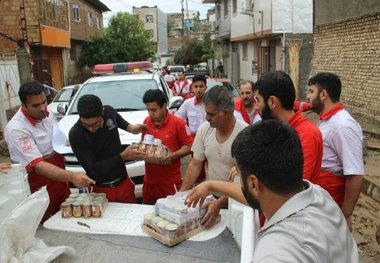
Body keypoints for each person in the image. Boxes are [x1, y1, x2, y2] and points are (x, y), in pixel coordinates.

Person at [185, 120, 359, 263]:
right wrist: (210, 186)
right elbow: (255, 195)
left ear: (253, 183)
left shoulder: (276, 251)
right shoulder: (319, 195)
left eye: (240, 175)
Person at [4, 80, 94, 223]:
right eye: (36, 105)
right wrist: (72, 176)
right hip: (39, 186)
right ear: (23, 105)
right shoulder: (16, 129)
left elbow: (57, 138)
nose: (42, 108)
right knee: (44, 224)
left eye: (44, 102)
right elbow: (37, 166)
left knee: (66, 218)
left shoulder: (47, 113)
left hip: (59, 177)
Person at [180, 85, 247, 228]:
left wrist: (220, 203)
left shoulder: (245, 135)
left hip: (238, 202)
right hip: (211, 198)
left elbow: (246, 182)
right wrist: (181, 195)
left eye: (211, 114)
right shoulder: (204, 129)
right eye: (206, 113)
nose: (207, 118)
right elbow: (195, 164)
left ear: (226, 112)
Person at [307, 72, 364, 230]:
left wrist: (345, 215)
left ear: (323, 94)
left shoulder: (343, 125)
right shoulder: (327, 120)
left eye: (312, 92)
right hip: (321, 202)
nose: (308, 96)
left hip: (332, 206)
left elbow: (355, 173)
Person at [69, 95, 146, 203]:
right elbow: (93, 168)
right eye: (86, 125)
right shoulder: (76, 134)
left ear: (102, 112)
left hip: (124, 183)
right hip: (100, 191)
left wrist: (132, 128)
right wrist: (123, 156)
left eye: (95, 124)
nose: (91, 129)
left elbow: (121, 122)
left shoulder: (109, 112)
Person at [254, 71, 323, 183]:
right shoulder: (274, 128)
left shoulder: (306, 133)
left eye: (258, 100)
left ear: (272, 102)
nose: (256, 106)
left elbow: (294, 185)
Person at [142, 89, 193, 204]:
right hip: (149, 182)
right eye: (148, 110)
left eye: (154, 110)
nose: (150, 114)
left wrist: (173, 155)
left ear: (164, 106)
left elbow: (189, 146)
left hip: (169, 183)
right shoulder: (146, 122)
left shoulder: (178, 123)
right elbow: (144, 145)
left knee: (170, 215)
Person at [175, 74, 208, 182]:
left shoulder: (212, 103)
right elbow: (177, 119)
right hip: (195, 141)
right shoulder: (188, 103)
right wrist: (186, 133)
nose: (198, 89)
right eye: (196, 86)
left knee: (212, 167)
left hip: (211, 139)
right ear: (192, 87)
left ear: (206, 87)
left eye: (201, 86)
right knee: (197, 169)